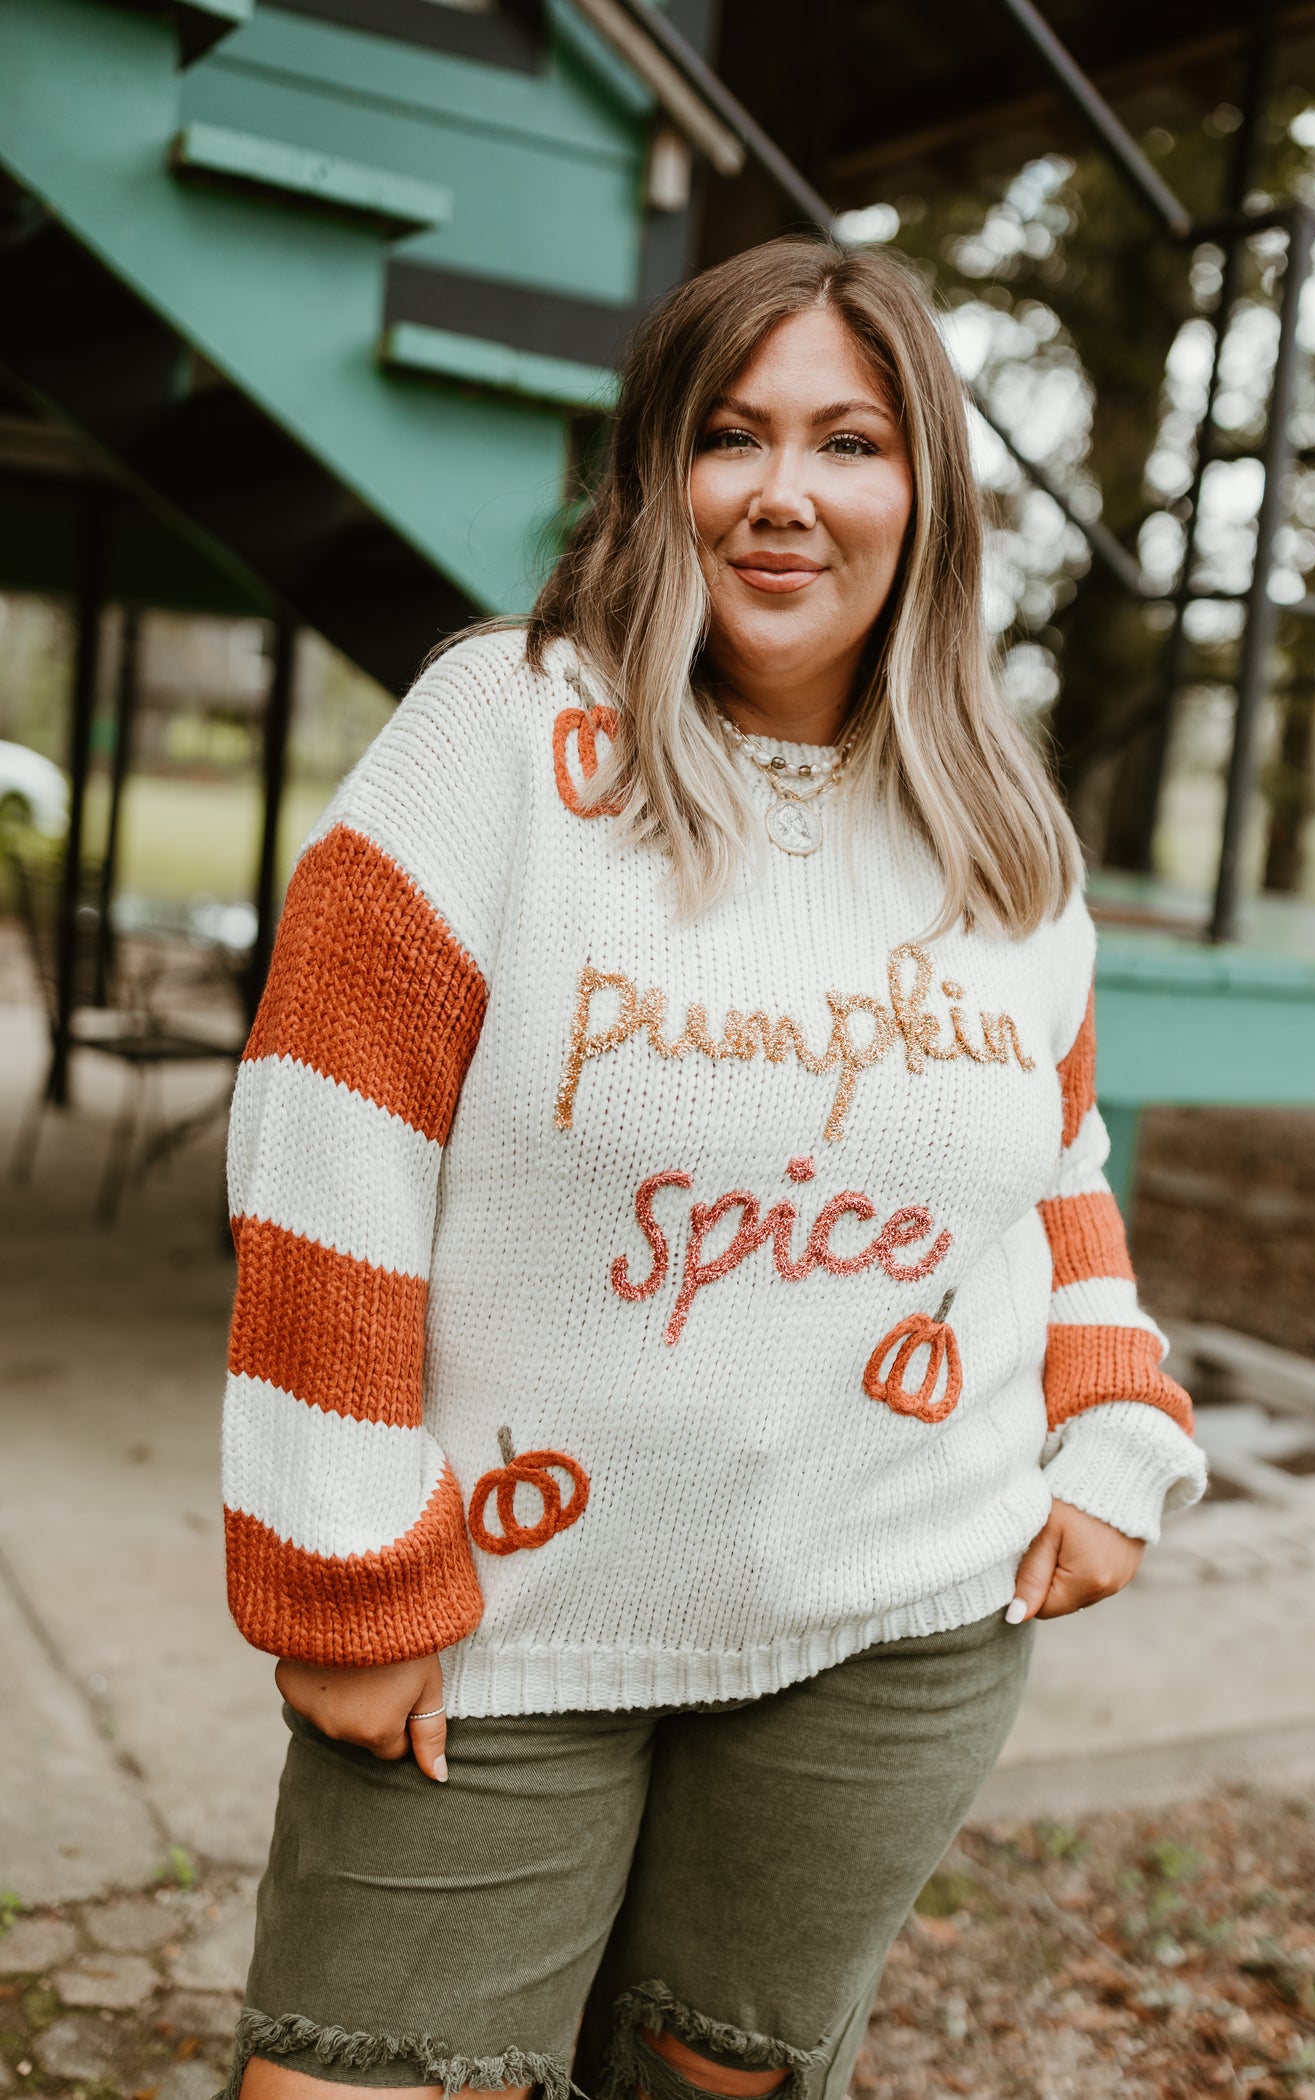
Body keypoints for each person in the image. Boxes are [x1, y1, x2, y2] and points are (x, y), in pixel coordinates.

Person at [220, 237, 1205, 2100]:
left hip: (893, 1614)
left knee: (707, 2080)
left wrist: (1110, 1401)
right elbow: (326, 1146)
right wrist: (340, 1575)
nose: (783, 496)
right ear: (656, 470)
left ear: (926, 498)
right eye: (732, 436)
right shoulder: (499, 736)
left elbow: (1048, 1148)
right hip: (506, 1615)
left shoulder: (1000, 815)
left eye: (850, 442)